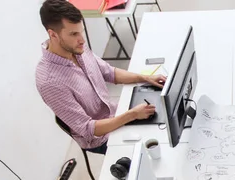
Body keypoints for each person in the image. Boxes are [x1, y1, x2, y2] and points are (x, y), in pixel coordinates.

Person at [36, 0, 167, 155]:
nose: (82, 40)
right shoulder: (49, 83)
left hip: (116, 112)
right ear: (53, 34)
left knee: (164, 117)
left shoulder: (77, 47)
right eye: (73, 34)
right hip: (101, 138)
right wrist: (132, 115)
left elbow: (109, 72)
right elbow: (89, 129)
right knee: (158, 146)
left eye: (81, 31)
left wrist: (145, 78)